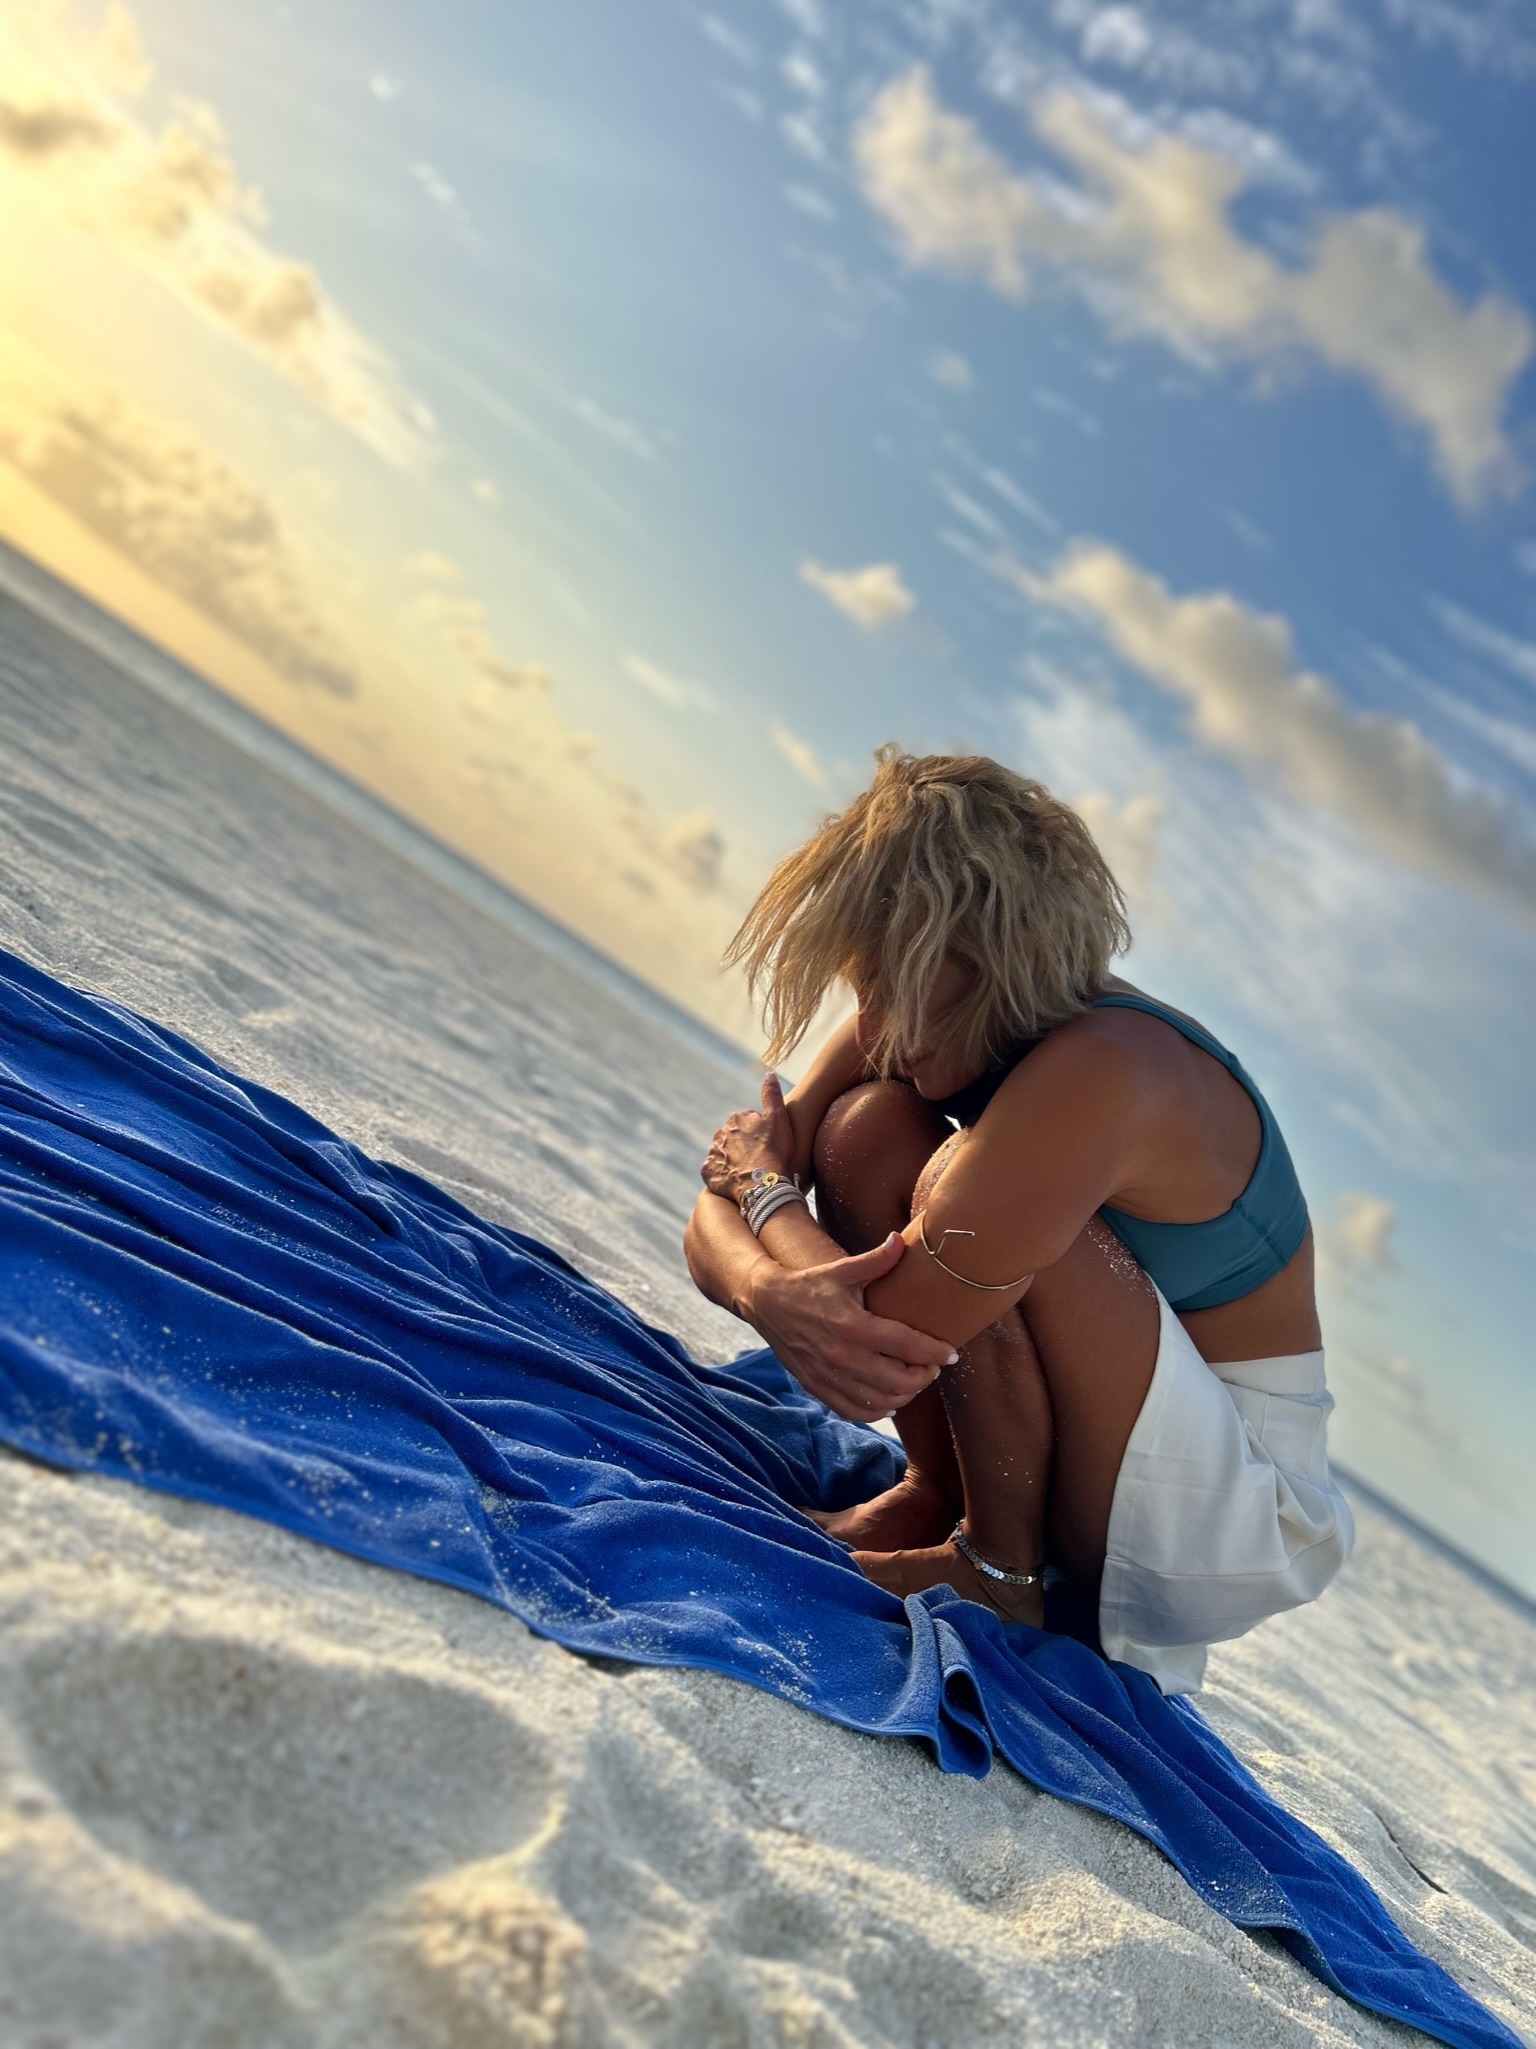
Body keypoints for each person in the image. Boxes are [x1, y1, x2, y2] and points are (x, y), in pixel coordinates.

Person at [685, 747, 1352, 1694]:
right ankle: (939, 1493)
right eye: (868, 976)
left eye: (901, 977)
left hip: (1233, 1510)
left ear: (993, 958)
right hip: (1111, 1417)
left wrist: (768, 1217)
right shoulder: (924, 1001)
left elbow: (878, 1344)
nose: (876, 1013)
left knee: (965, 1191)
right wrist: (764, 1273)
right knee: (865, 1129)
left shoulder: (1113, 1069)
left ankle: (999, 1572)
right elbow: (721, 1200)